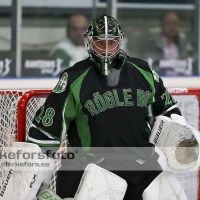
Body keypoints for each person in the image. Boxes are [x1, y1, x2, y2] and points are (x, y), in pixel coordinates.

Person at [27, 15, 182, 200]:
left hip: (141, 168)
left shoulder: (144, 72)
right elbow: (46, 133)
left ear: (120, 41)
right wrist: (35, 181)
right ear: (90, 43)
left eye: (112, 42)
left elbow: (165, 110)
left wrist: (179, 135)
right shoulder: (74, 78)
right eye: (100, 43)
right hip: (89, 171)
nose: (107, 50)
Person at [143, 11, 192, 76]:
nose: (172, 27)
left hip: (180, 82)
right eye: (169, 23)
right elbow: (148, 66)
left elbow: (187, 66)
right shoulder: (153, 44)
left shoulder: (182, 44)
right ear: (162, 25)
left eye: (175, 23)